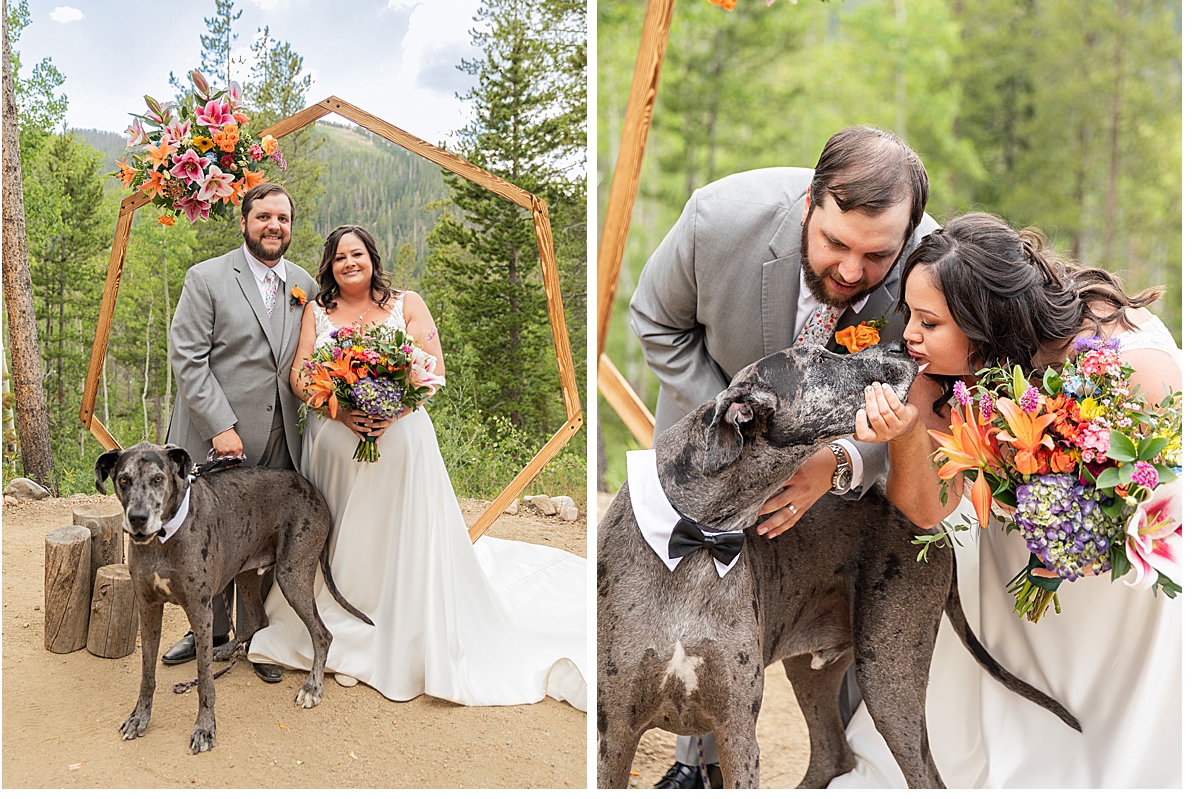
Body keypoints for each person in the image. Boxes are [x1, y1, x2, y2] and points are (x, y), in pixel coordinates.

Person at [629, 126, 937, 788]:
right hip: (713, 456)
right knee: (698, 608)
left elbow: (926, 386)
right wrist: (739, 433)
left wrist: (840, 460)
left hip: (843, 484)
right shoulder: (717, 219)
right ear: (808, 202)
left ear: (907, 238)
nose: (851, 271)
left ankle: (852, 763)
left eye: (877, 255)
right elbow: (656, 318)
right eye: (834, 243)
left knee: (849, 611)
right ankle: (698, 766)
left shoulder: (932, 266)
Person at [831, 211, 1181, 788]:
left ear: (987, 324)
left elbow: (1169, 468)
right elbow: (926, 510)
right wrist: (909, 434)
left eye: (929, 322)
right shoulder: (933, 373)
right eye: (909, 316)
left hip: (1129, 569)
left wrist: (1083, 520)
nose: (909, 336)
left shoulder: (1120, 354)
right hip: (1014, 575)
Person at [247, 225, 587, 711]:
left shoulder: (407, 303)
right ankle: (337, 622)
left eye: (357, 254)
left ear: (372, 258)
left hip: (402, 442)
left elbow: (433, 369)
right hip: (333, 443)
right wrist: (342, 411)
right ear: (329, 265)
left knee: (396, 532)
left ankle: (396, 627)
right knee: (341, 531)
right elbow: (299, 373)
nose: (349, 263)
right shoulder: (316, 312)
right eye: (339, 256)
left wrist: (390, 410)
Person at [162, 183, 318, 684]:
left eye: (284, 219)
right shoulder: (206, 277)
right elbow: (187, 357)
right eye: (264, 216)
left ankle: (259, 638)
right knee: (203, 534)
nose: (275, 226)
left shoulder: (303, 285)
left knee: (258, 535)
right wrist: (220, 426)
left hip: (277, 437)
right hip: (214, 434)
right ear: (245, 220)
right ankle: (208, 630)